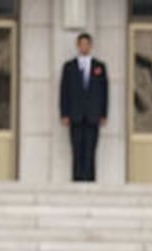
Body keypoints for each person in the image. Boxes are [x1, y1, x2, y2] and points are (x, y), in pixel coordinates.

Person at [60, 32, 110, 183]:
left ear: (91, 46)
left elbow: (104, 91)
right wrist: (64, 113)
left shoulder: (99, 67)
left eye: (87, 44)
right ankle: (77, 178)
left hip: (93, 114)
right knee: (76, 149)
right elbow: (64, 91)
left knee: (90, 148)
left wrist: (103, 114)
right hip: (75, 114)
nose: (84, 47)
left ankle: (90, 179)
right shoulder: (69, 67)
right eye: (81, 44)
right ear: (78, 46)